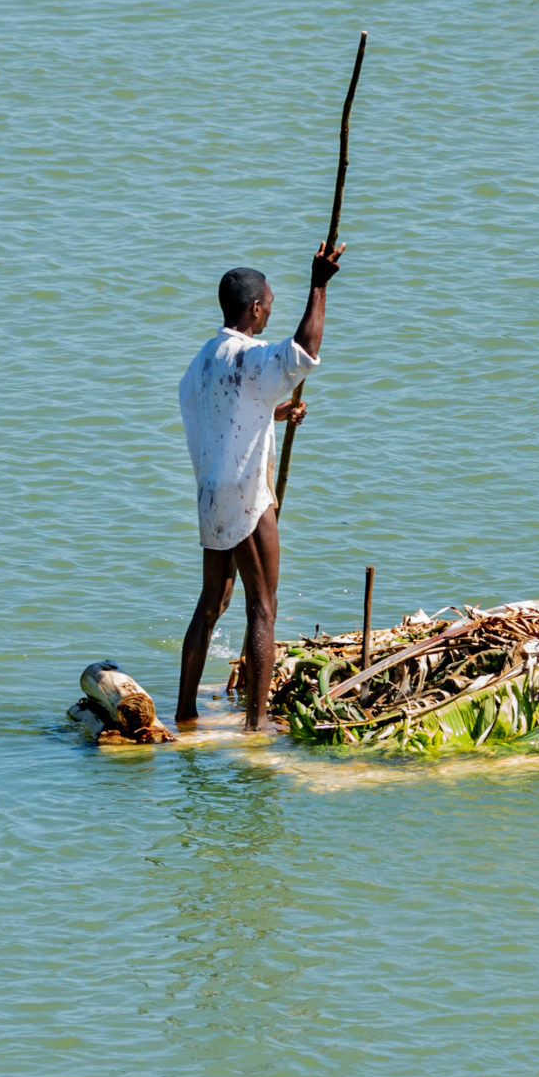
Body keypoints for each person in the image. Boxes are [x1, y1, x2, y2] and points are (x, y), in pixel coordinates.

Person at [175, 246, 343, 731]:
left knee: (212, 604)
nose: (270, 308)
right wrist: (319, 284)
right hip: (248, 491)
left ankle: (185, 711)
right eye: (269, 302)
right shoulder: (251, 356)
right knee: (262, 606)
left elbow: (222, 417)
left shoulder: (203, 360)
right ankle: (257, 723)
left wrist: (274, 413)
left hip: (210, 492)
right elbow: (304, 352)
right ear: (253, 308)